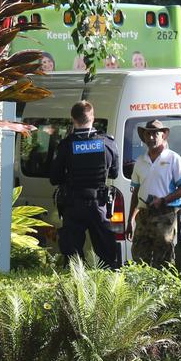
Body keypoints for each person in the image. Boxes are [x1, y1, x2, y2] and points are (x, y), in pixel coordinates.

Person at [50, 100, 119, 268]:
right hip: (99, 205)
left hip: (73, 206)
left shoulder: (66, 145)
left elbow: (55, 178)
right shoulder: (108, 143)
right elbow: (114, 173)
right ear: (93, 118)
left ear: (73, 119)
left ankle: (76, 289)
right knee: (107, 258)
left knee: (73, 259)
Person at [126, 119, 181, 267]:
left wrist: (163, 200)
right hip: (143, 215)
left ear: (163, 135)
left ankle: (165, 289)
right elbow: (136, 193)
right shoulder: (140, 161)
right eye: (148, 134)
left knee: (164, 259)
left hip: (165, 214)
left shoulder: (173, 159)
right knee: (139, 257)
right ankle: (142, 289)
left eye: (155, 134)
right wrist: (130, 220)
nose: (151, 137)